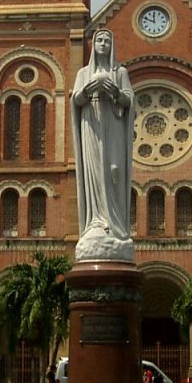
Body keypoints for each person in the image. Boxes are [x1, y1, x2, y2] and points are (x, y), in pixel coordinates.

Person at [71, 29, 135, 262]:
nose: (103, 43)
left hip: (114, 125)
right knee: (95, 175)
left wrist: (116, 92)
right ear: (93, 45)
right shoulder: (83, 73)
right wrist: (88, 91)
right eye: (99, 40)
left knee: (114, 171)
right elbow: (75, 100)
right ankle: (96, 221)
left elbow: (129, 100)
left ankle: (116, 225)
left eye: (108, 40)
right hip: (92, 126)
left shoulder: (121, 73)